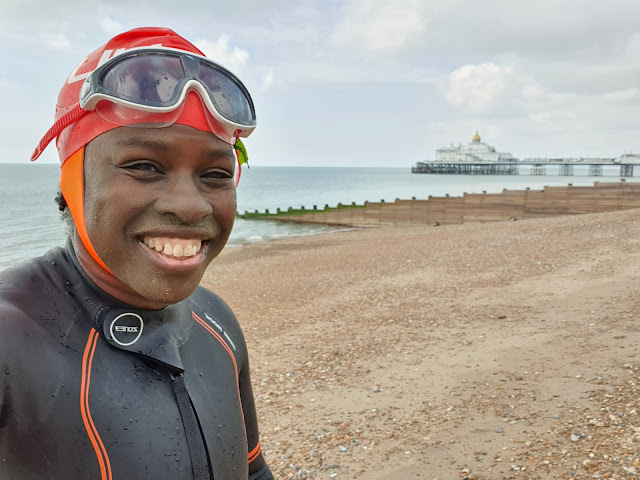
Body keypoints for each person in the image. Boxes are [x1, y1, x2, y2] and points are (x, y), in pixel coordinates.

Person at [0, 27, 273, 480]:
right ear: (73, 183)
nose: (190, 206)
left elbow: (255, 471)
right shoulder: (10, 336)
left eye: (216, 174)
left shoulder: (216, 320)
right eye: (144, 166)